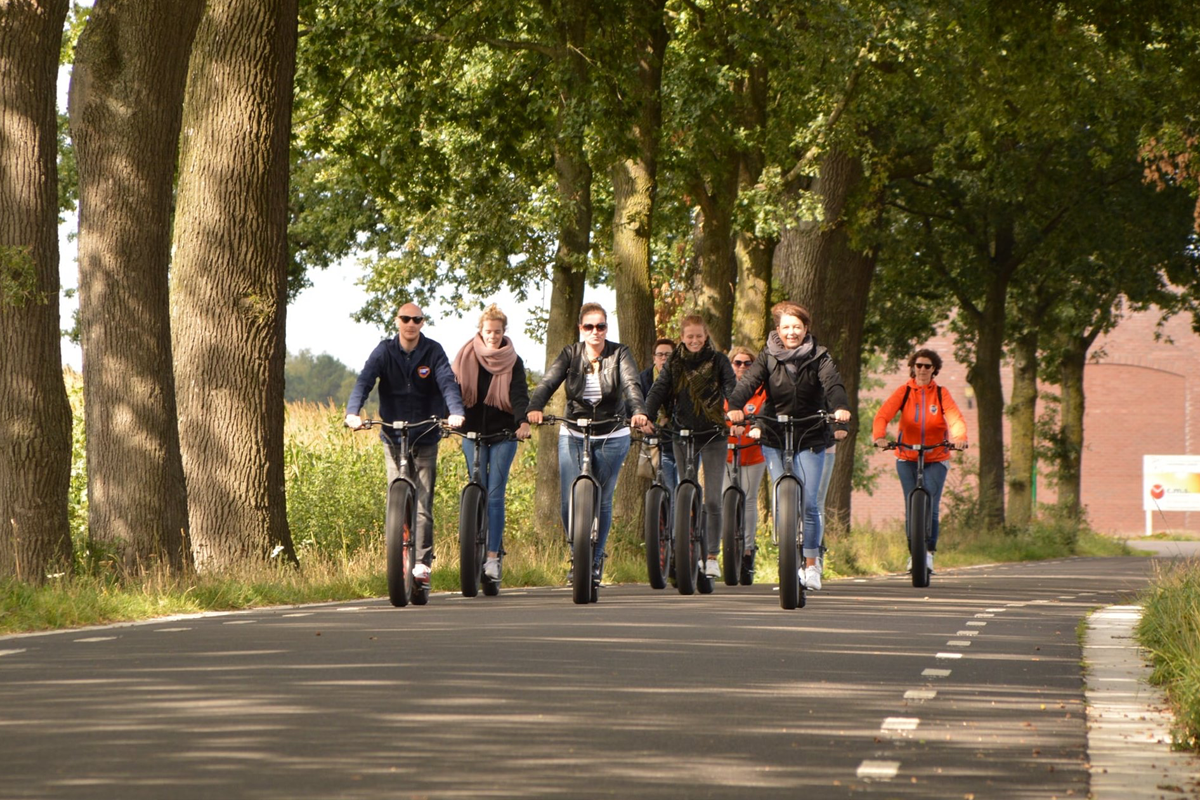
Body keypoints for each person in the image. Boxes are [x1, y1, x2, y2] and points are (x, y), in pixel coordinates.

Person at [726, 301, 852, 592]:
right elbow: (749, 383)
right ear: (778, 330)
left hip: (810, 432)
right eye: (786, 327)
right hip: (774, 431)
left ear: (806, 329)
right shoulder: (768, 356)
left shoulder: (820, 357)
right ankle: (786, 557)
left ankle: (810, 564)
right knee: (784, 496)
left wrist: (840, 409)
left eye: (797, 327)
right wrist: (735, 406)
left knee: (809, 502)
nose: (791, 332)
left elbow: (833, 385)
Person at [526, 303, 649, 583]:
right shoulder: (571, 354)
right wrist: (534, 407)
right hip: (574, 430)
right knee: (568, 500)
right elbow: (547, 382)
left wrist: (638, 411)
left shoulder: (620, 353)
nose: (595, 331)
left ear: (607, 328)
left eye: (601, 326)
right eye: (589, 326)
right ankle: (577, 557)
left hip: (612, 433)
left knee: (603, 499)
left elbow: (631, 385)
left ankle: (594, 561)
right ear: (580, 329)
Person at [345, 303, 465, 586]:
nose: (411, 324)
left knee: (423, 503)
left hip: (425, 433)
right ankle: (398, 556)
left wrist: (455, 412)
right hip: (392, 434)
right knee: (395, 497)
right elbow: (365, 380)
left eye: (417, 319)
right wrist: (353, 412)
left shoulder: (433, 351)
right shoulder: (384, 351)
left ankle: (422, 564)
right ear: (397, 321)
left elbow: (447, 382)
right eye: (405, 319)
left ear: (422, 323)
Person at [644, 315, 736, 579]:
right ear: (682, 338)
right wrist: (644, 414)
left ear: (705, 336)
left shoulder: (718, 361)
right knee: (686, 489)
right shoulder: (674, 362)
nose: (694, 340)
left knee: (713, 498)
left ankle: (711, 556)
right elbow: (659, 390)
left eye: (699, 336)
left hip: (713, 434)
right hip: (682, 432)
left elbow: (731, 387)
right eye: (689, 336)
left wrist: (737, 411)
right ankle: (686, 550)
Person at [451, 304, 533, 582]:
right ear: (480, 331)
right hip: (471, 432)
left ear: (504, 332)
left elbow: (520, 393)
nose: (493, 336)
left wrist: (522, 422)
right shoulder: (465, 356)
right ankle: (471, 544)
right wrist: (448, 416)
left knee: (495, 494)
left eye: (498, 332)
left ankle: (492, 558)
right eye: (488, 331)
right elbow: (452, 389)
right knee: (476, 485)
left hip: (503, 434)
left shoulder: (513, 360)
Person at [871, 348, 968, 574]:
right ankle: (913, 554)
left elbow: (955, 418)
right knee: (912, 503)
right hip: (906, 456)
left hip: (936, 457)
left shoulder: (941, 394)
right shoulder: (904, 392)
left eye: (927, 366)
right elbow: (883, 415)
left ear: (934, 370)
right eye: (919, 365)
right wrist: (880, 437)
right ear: (913, 368)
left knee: (931, 504)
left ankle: (928, 554)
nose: (922, 370)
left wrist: (960, 438)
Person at [723, 345, 769, 581]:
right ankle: (725, 551)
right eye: (737, 363)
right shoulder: (724, 389)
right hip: (726, 453)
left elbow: (765, 412)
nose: (742, 367)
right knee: (725, 499)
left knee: (749, 500)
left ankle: (748, 551)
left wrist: (757, 427)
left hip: (753, 452)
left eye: (747, 363)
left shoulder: (760, 390)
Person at [639, 337, 678, 492]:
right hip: (656, 441)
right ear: (654, 358)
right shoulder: (644, 378)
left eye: (668, 355)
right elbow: (634, 404)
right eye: (660, 354)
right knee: (663, 488)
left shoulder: (683, 377)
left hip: (681, 438)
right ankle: (665, 516)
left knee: (684, 487)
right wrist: (641, 421)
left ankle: (684, 516)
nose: (663, 358)